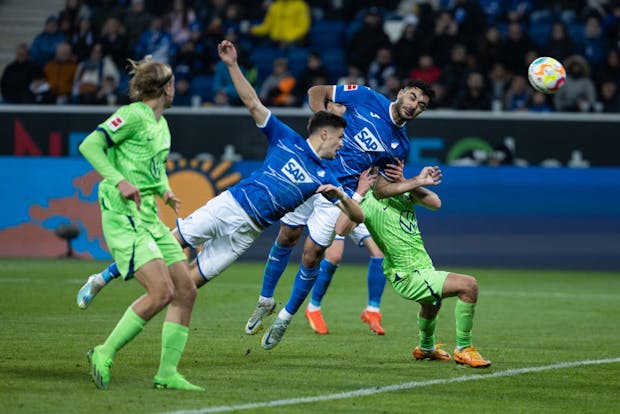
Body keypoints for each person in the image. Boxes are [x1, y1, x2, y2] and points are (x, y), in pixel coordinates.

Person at [76, 40, 364, 316]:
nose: (342, 145)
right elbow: (252, 102)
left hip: (246, 234)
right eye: (340, 138)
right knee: (170, 245)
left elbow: (357, 215)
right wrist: (232, 65)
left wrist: (341, 197)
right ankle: (101, 278)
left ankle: (150, 334)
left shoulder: (327, 176)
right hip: (230, 206)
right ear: (324, 134)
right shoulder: (285, 138)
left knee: (186, 288)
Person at [253, 79, 435, 350]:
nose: (413, 106)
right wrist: (323, 120)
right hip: (311, 170)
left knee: (313, 254)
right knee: (287, 235)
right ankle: (265, 300)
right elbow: (316, 91)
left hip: (339, 193)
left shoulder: (400, 145)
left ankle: (285, 317)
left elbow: (383, 190)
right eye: (412, 97)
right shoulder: (365, 96)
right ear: (400, 93)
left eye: (421, 105)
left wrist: (412, 182)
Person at [78, 56, 203, 391]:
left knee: (186, 289)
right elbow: (90, 145)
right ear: (164, 88)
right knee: (161, 292)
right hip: (123, 213)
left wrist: (165, 191)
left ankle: (166, 373)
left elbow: (155, 167)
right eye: (173, 83)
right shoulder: (132, 115)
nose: (176, 88)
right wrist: (120, 181)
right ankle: (104, 351)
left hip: (149, 213)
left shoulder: (161, 125)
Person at [335, 165, 491, 368]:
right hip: (406, 274)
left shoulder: (403, 190)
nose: (397, 167)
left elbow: (435, 203)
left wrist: (408, 181)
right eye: (391, 165)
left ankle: (426, 348)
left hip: (423, 267)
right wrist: (359, 193)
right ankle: (464, 348)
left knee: (432, 304)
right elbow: (341, 229)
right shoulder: (366, 200)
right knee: (469, 285)